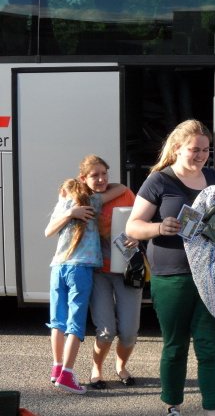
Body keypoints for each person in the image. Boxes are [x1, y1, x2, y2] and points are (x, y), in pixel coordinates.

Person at [125, 119, 215, 416]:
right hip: (172, 276)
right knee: (175, 345)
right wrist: (160, 227)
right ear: (177, 148)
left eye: (206, 150)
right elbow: (133, 228)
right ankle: (172, 404)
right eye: (194, 150)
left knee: (209, 345)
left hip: (211, 272)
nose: (201, 156)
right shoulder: (159, 181)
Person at [45, 175, 125, 394]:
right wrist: (97, 190)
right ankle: (67, 375)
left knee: (57, 322)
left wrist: (69, 211)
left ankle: (57, 367)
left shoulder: (63, 205)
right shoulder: (92, 202)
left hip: (58, 267)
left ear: (64, 191)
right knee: (75, 324)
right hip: (80, 269)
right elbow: (121, 189)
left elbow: (47, 232)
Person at [73, 155, 141, 390]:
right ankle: (97, 370)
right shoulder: (81, 201)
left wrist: (136, 236)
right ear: (83, 178)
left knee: (129, 332)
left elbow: (139, 221)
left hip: (126, 269)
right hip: (98, 271)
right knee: (105, 332)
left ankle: (121, 367)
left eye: (104, 174)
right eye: (95, 175)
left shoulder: (124, 194)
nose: (101, 179)